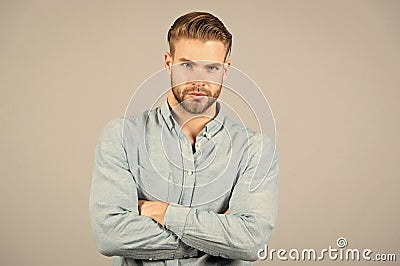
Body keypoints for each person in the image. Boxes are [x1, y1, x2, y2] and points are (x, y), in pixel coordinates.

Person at [89, 11, 278, 265]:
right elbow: (110, 235)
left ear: (225, 70)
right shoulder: (122, 137)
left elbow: (251, 243)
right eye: (187, 65)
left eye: (211, 68)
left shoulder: (255, 150)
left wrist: (163, 213)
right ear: (168, 63)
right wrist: (217, 239)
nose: (198, 81)